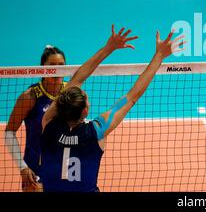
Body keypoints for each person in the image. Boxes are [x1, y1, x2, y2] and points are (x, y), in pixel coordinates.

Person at [39, 25, 184, 192]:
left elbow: (77, 79)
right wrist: (159, 56)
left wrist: (108, 48)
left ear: (62, 104)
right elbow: (132, 97)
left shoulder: (48, 123)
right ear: (85, 111)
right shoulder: (96, 131)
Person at [4, 45, 67, 192]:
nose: (56, 70)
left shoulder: (70, 93)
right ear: (42, 68)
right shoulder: (30, 97)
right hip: (35, 169)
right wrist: (22, 167)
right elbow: (9, 132)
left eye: (61, 66)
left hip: (65, 167)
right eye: (51, 66)